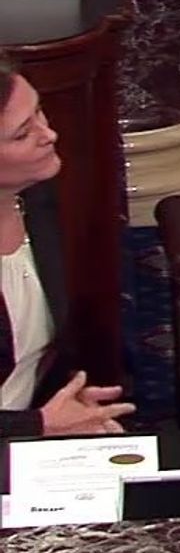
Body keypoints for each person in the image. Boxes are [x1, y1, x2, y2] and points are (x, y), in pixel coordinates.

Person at [0, 53, 135, 437]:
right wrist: (38, 425)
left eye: (40, 113)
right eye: (23, 133)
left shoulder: (37, 197)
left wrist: (67, 407)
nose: (49, 134)